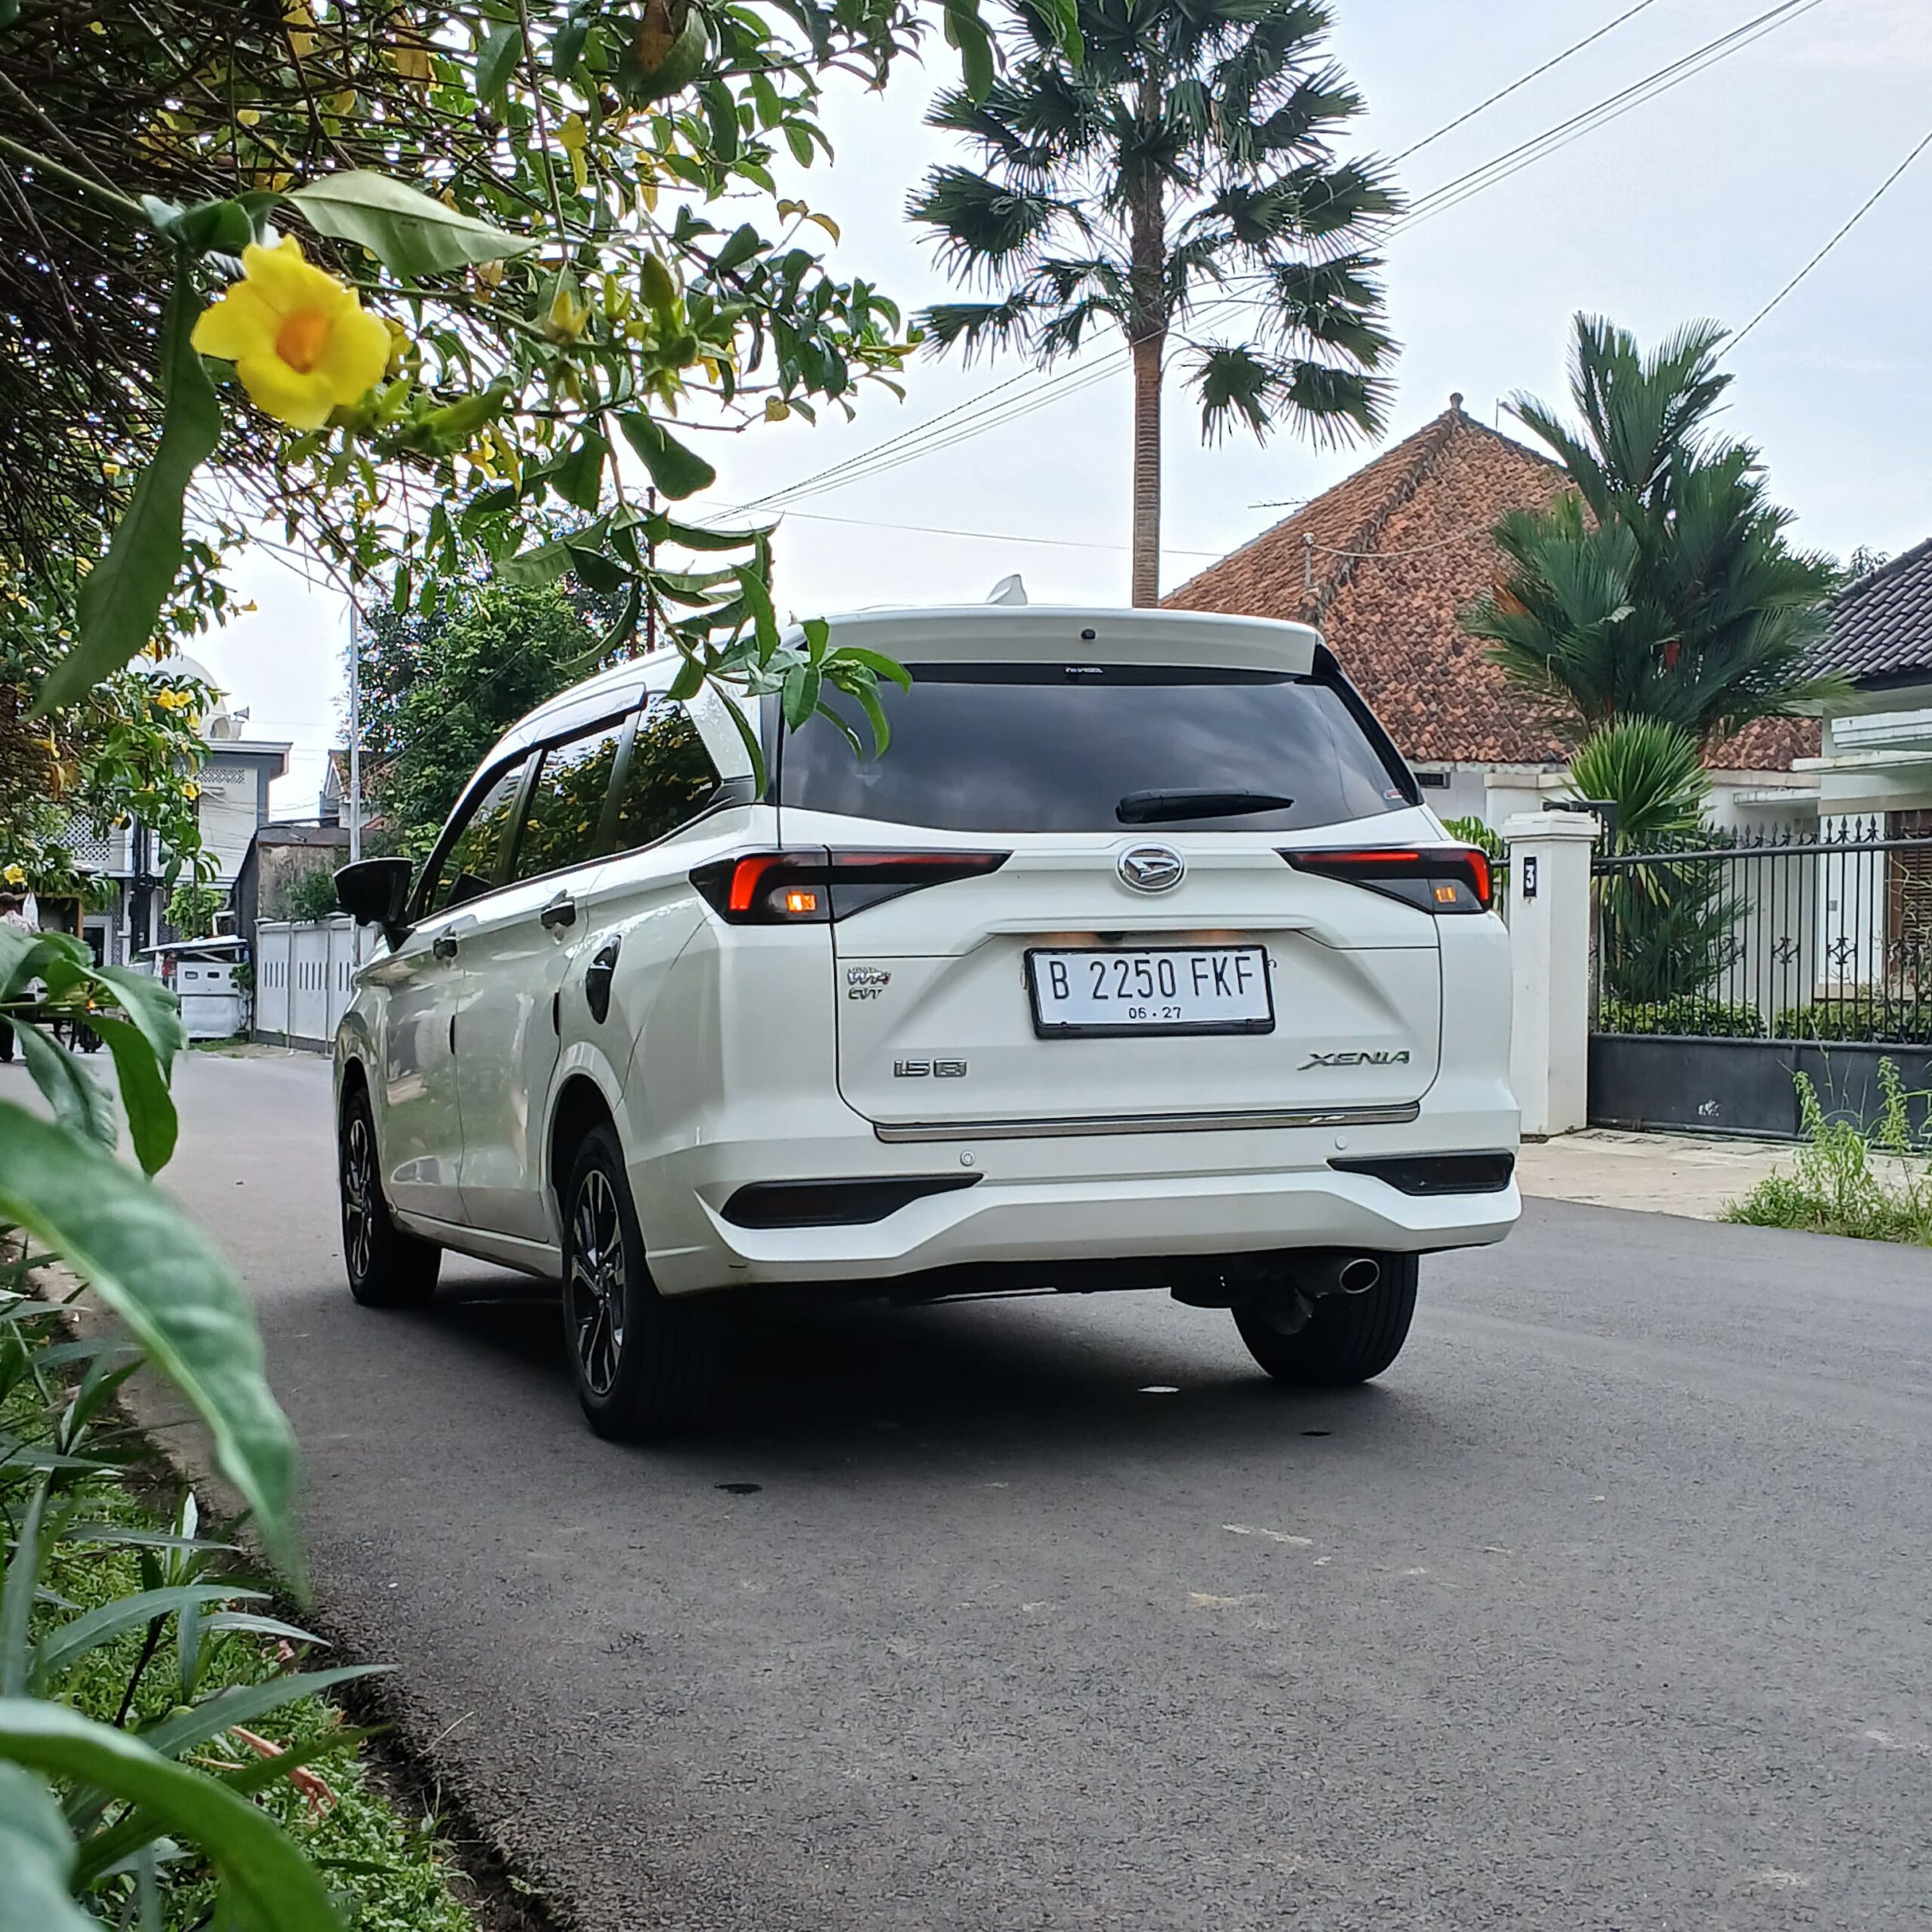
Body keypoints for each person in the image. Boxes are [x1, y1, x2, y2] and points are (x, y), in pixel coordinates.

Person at [0, 890, 35, 1064]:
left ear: (2, 907)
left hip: (6, 980)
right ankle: (31, 1054)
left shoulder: (1, 924)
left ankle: (6, 1053)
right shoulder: (29, 924)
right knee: (27, 1022)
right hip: (26, 981)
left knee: (4, 1020)